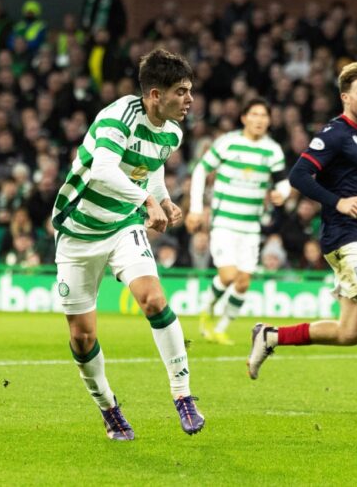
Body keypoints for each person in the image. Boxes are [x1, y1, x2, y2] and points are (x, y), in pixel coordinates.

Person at [247, 62, 357, 414]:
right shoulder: (335, 132)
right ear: (345, 97)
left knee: (349, 332)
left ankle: (271, 336)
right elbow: (300, 175)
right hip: (343, 238)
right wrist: (337, 202)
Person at [51, 48, 204, 440]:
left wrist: (163, 197)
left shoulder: (172, 131)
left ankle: (183, 395)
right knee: (82, 337)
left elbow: (149, 170)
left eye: (190, 91)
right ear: (155, 94)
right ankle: (109, 408)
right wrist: (148, 201)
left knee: (153, 298)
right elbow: (102, 170)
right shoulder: (118, 117)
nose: (189, 100)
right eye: (182, 92)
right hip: (79, 232)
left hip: (121, 226)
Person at [186, 97, 290, 345]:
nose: (259, 120)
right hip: (224, 223)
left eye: (264, 116)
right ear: (244, 118)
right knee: (228, 274)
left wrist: (282, 194)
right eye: (254, 114)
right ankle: (207, 308)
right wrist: (196, 209)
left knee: (243, 282)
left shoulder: (272, 150)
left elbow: (283, 182)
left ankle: (221, 328)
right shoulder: (227, 143)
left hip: (251, 227)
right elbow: (201, 169)